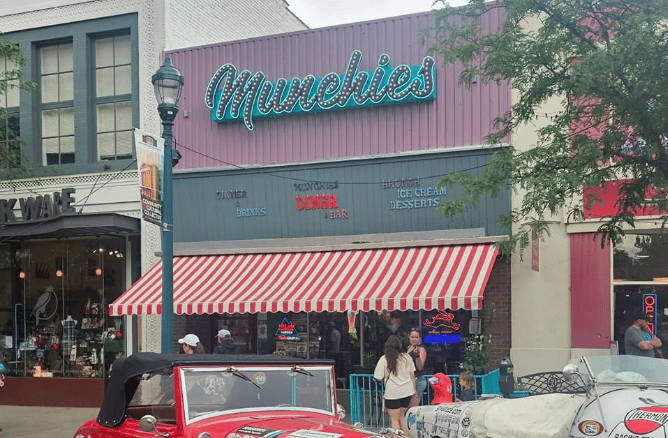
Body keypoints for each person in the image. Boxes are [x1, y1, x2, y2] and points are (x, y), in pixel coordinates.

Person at [374, 335, 416, 437]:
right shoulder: (407, 357)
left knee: (394, 420)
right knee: (402, 417)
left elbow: (378, 377)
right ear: (400, 345)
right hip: (407, 391)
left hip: (393, 393)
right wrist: (414, 390)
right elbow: (412, 375)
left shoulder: (384, 359)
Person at [407, 328, 428, 407]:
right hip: (408, 380)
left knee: (413, 406)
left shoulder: (421, 349)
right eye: (412, 337)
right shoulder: (409, 348)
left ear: (420, 338)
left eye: (416, 337)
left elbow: (420, 367)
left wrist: (417, 355)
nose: (414, 339)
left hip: (417, 379)